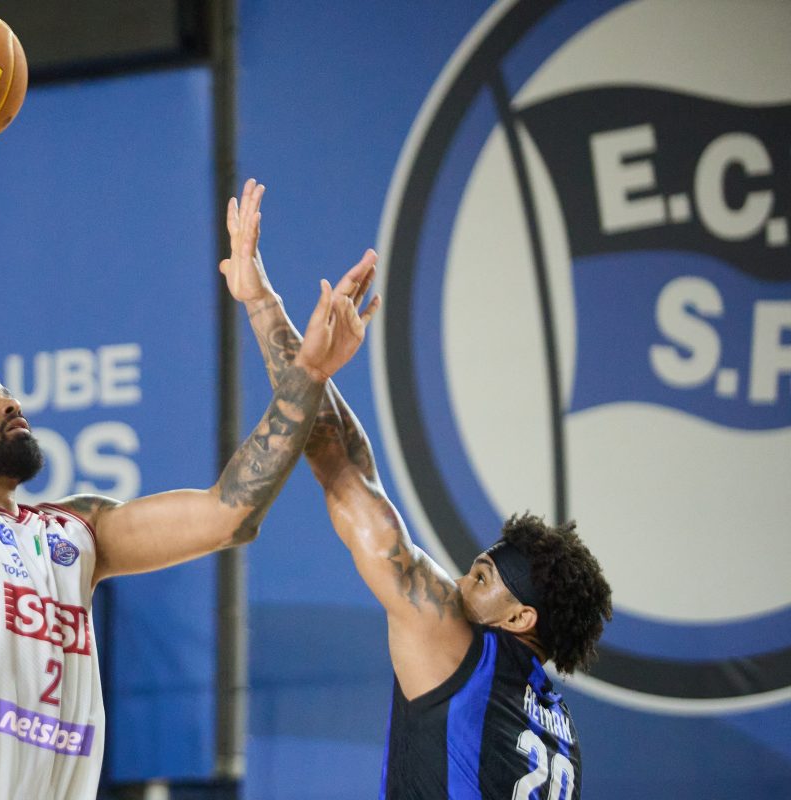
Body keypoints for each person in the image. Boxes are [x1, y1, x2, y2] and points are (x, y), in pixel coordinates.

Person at [0, 47, 377, 799]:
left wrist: (307, 368)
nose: (7, 403)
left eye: (4, 394)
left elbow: (229, 515)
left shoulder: (75, 534)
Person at [221, 179, 613, 798]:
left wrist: (264, 305)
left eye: (481, 578)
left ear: (520, 616)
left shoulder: (459, 650)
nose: (459, 581)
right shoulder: (561, 735)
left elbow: (345, 472)